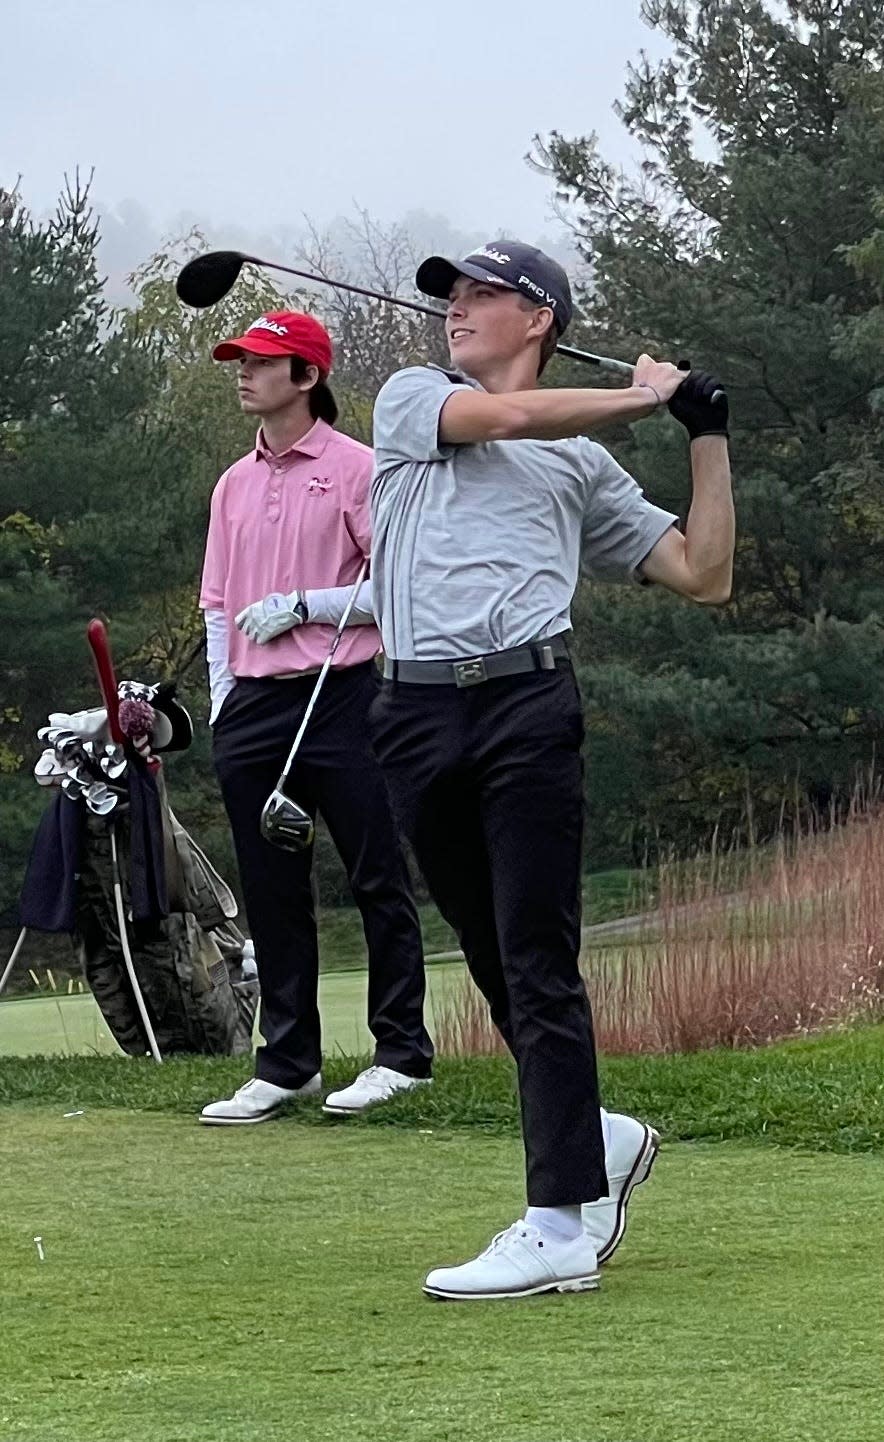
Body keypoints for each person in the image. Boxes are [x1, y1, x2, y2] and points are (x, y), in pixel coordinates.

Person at [365, 241, 734, 1299]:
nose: (457, 310)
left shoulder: (581, 463)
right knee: (489, 955)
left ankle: (557, 1221)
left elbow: (700, 572)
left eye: (484, 294)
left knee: (534, 954)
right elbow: (513, 419)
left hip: (526, 703)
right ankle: (594, 1138)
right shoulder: (411, 397)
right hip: (413, 707)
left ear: (540, 317)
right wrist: (638, 394)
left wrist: (703, 432)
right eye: (452, 295)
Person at [198, 310, 433, 1125]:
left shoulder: (359, 469)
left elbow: (397, 590)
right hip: (255, 705)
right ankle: (287, 1060)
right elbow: (218, 606)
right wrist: (226, 704)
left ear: (306, 377)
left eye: (263, 362)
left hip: (344, 695)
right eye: (243, 360)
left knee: (375, 874)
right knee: (270, 889)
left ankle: (401, 1052)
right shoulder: (233, 483)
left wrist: (306, 605)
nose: (244, 372)